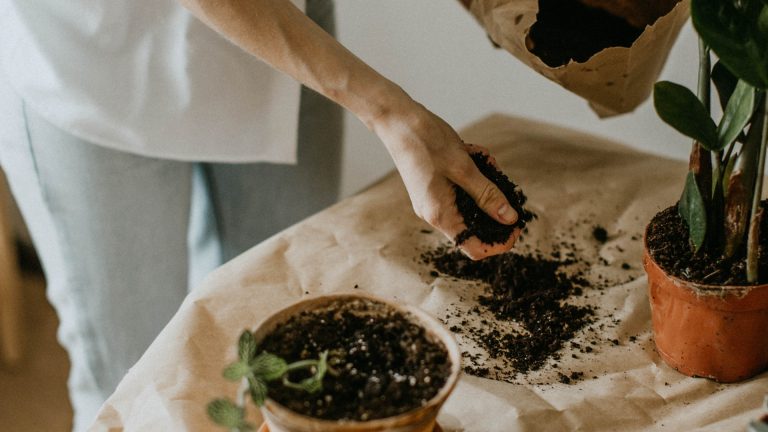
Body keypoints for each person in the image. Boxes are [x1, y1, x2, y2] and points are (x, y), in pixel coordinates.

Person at [0, 0, 521, 429]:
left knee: (282, 321)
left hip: (287, 32)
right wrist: (389, 113)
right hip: (94, 58)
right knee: (132, 373)